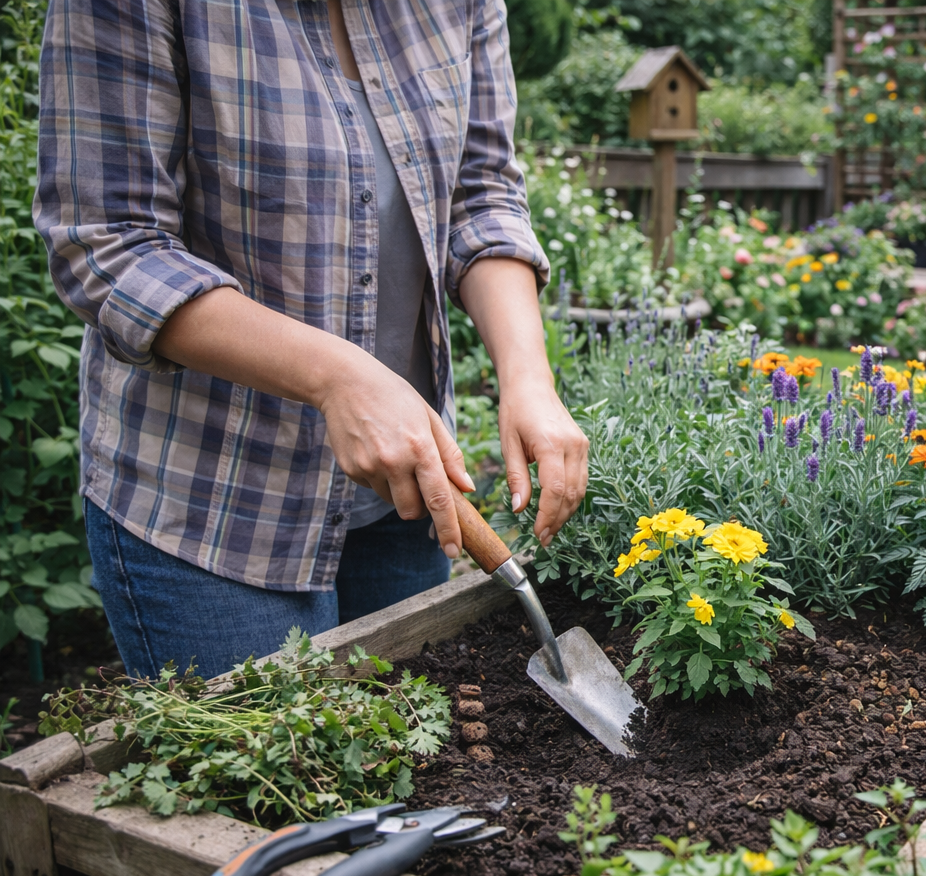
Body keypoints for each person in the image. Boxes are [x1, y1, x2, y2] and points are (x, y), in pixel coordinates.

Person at [34, 0, 588, 679]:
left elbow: (482, 195)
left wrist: (529, 377)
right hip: (217, 506)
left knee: (403, 773)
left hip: (404, 493)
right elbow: (110, 247)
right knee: (278, 781)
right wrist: (338, 378)